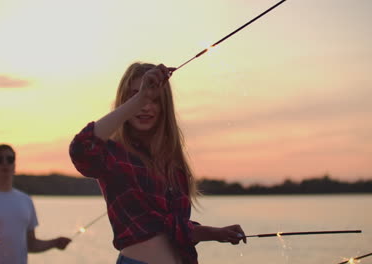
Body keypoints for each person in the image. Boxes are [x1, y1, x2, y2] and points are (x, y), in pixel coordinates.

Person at [69, 62, 246, 264]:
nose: (146, 107)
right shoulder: (113, 155)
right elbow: (81, 148)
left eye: (155, 100)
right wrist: (140, 98)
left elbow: (170, 228)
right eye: (135, 96)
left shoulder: (172, 163)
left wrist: (215, 233)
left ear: (165, 106)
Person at [0, 144, 71, 264]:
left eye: (10, 159)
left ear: (14, 165)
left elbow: (30, 244)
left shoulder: (26, 200)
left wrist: (55, 243)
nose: (5, 163)